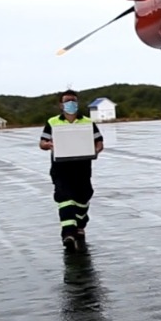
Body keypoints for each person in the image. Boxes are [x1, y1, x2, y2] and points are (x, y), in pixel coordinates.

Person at [39, 90, 104, 251]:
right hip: (61, 168)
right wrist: (48, 145)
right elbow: (42, 143)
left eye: (73, 101)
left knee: (83, 197)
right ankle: (68, 233)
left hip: (82, 168)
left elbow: (99, 142)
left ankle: (80, 223)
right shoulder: (53, 122)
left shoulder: (87, 122)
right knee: (64, 197)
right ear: (61, 105)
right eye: (67, 101)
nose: (71, 104)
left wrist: (95, 150)